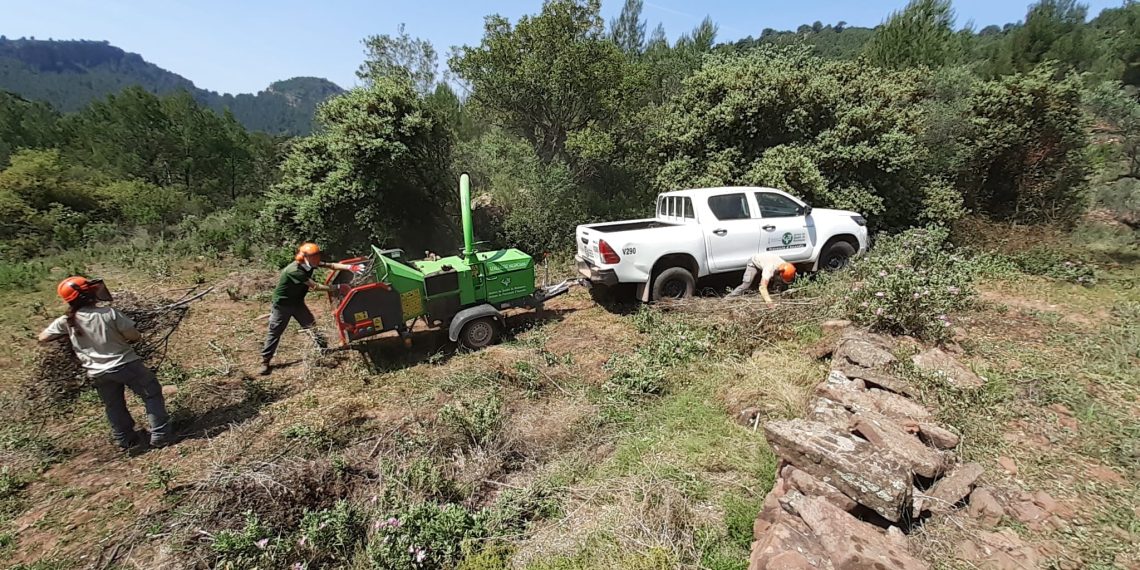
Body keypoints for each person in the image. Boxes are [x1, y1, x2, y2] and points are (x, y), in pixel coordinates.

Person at [38, 276, 172, 450]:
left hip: (97, 373)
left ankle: (125, 439)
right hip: (126, 364)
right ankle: (161, 436)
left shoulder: (66, 321)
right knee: (151, 394)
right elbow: (135, 336)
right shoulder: (109, 313)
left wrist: (68, 335)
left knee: (113, 405)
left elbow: (42, 337)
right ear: (90, 293)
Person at [259, 242, 362, 375]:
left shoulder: (312, 263)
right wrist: (338, 287)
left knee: (311, 325)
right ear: (306, 257)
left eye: (318, 255)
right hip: (282, 305)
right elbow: (315, 286)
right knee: (275, 331)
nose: (318, 259)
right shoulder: (294, 271)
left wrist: (350, 267)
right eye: (315, 256)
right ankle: (265, 361)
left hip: (297, 303)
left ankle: (324, 350)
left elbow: (331, 265)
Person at [727, 252, 797, 307]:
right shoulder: (770, 268)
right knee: (746, 285)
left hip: (766, 263)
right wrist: (770, 303)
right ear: (779, 273)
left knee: (777, 281)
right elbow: (762, 287)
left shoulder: (786, 266)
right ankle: (728, 299)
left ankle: (775, 293)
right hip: (753, 263)